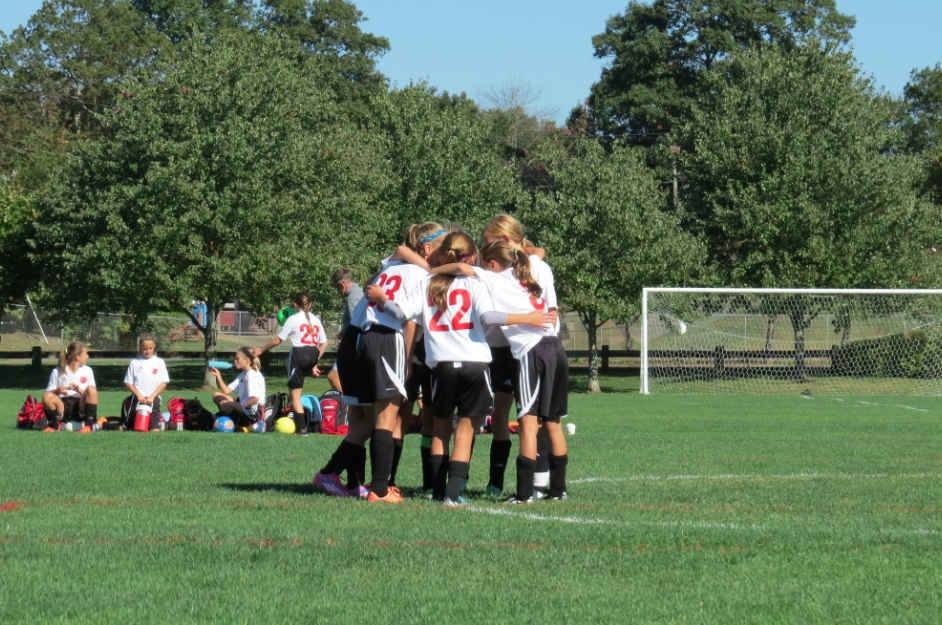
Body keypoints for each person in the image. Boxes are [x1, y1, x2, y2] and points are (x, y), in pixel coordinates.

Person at [385, 232, 555, 506]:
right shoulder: (476, 282)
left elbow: (399, 312)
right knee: (465, 430)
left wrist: (382, 298)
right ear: (473, 256)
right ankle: (454, 494)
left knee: (440, 429)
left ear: (442, 255)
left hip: (440, 365)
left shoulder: (427, 283)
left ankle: (439, 491)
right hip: (475, 364)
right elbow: (489, 316)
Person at [466, 240, 569, 503]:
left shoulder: (494, 279)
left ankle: (524, 495)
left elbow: (461, 269)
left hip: (532, 352)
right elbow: (537, 253)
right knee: (553, 422)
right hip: (556, 347)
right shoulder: (531, 268)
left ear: (491, 264)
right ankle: (558, 491)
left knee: (528, 424)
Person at [481, 214, 558, 498]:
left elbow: (536, 256)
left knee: (533, 418)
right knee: (501, 412)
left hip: (527, 347)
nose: (482, 248)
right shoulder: (505, 264)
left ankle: (536, 484)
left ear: (502, 240)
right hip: (502, 349)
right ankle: (497, 480)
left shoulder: (531, 265)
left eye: (486, 243)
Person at [254, 293, 328, 435]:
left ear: (294, 305)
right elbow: (324, 343)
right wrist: (314, 362)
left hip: (299, 354)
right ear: (310, 305)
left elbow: (278, 340)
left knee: (295, 396)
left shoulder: (293, 319)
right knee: (289, 364)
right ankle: (301, 425)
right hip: (313, 352)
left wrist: (261, 350)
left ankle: (302, 430)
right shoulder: (316, 320)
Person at [42, 341, 99, 432]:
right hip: (62, 406)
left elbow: (92, 395)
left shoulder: (88, 370)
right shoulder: (57, 371)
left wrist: (79, 390)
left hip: (80, 405)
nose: (87, 356)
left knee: (92, 389)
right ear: (77, 357)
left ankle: (88, 426)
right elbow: (49, 394)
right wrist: (58, 390)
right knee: (46, 396)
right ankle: (54, 427)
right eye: (85, 354)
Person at [209, 347, 267, 429]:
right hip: (244, 406)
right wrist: (218, 376)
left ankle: (240, 422)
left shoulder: (251, 375)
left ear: (247, 361)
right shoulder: (243, 374)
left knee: (224, 404)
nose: (235, 361)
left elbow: (255, 399)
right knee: (216, 395)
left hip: (253, 411)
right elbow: (226, 391)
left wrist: (239, 405)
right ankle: (235, 419)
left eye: (237, 359)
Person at [123, 334, 170, 432]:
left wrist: (153, 396)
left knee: (155, 430)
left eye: (150, 348)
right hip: (137, 398)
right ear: (140, 347)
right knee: (129, 428)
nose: (148, 351)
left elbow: (164, 382)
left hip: (154, 399)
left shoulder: (159, 362)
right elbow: (128, 383)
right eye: (145, 349)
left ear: (154, 346)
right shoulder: (135, 362)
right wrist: (138, 395)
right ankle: (103, 424)